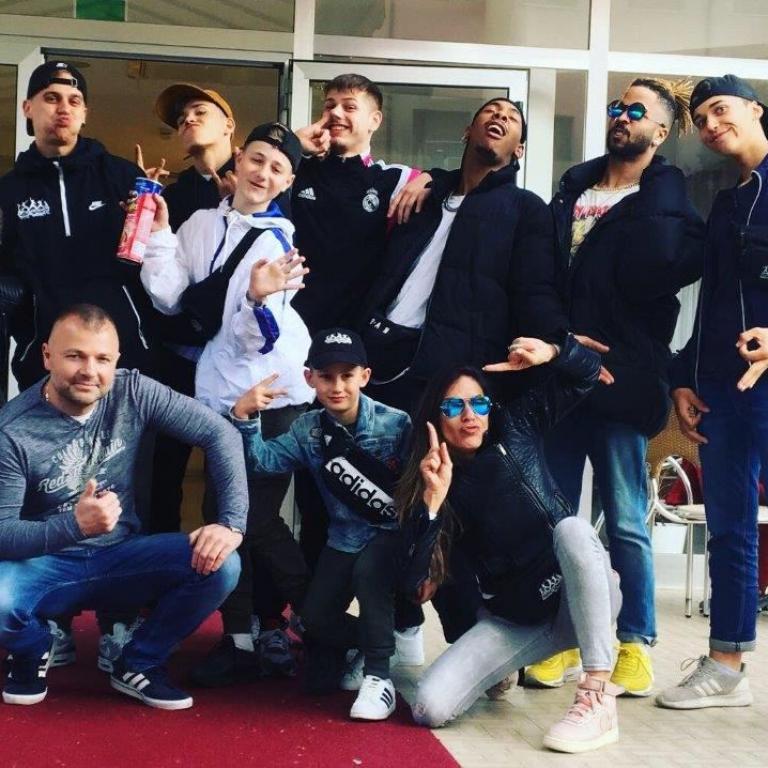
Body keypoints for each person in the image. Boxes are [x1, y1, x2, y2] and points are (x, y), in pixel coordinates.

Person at [540, 77, 705, 694]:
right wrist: (561, 342)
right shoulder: (571, 191)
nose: (621, 116)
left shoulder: (667, 204)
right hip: (562, 377)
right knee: (557, 517)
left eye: (637, 110)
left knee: (627, 521)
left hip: (625, 383)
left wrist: (662, 182)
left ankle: (635, 641)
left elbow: (666, 273)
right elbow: (545, 280)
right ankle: (563, 638)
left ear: (660, 132)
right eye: (617, 106)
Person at [0, 304, 247, 709]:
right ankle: (31, 649)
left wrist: (231, 523)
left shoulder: (132, 390)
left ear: (116, 361)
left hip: (120, 556)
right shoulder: (11, 429)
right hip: (45, 564)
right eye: (75, 355)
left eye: (102, 359)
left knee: (222, 563)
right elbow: (3, 532)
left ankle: (139, 662)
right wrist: (75, 526)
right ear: (47, 356)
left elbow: (221, 434)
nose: (89, 371)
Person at [141, 122, 313, 686]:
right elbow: (170, 298)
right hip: (218, 396)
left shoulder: (278, 245)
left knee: (251, 518)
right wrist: (160, 233)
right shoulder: (199, 223)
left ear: (287, 182)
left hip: (270, 396)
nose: (263, 173)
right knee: (224, 515)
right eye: (257, 160)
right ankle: (240, 638)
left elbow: (255, 341)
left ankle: (317, 617)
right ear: (237, 160)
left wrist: (259, 298)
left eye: (277, 168)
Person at [400, 334, 622, 754]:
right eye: (454, 407)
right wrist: (432, 503)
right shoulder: (431, 483)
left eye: (479, 404)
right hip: (518, 619)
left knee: (573, 530)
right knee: (429, 707)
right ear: (435, 417)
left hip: (580, 596)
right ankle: (503, 671)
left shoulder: (516, 427)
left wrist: (554, 352)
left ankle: (596, 695)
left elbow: (588, 373)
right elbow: (414, 585)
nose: (470, 416)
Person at [231, 329, 411, 721]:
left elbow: (417, 492)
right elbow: (262, 461)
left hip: (389, 536)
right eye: (327, 376)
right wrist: (244, 416)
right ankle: (378, 642)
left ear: (365, 376)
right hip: (342, 539)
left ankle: (379, 676)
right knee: (311, 620)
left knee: (370, 573)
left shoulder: (398, 424)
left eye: (347, 375)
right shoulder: (306, 428)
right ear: (309, 378)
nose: (337, 386)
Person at [659, 74, 768, 709]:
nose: (709, 125)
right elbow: (712, 305)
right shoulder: (727, 203)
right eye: (700, 119)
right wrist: (684, 378)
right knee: (729, 528)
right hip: (723, 393)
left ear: (755, 108)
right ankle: (726, 666)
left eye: (719, 110)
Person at [360, 96, 567, 415]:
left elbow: (535, 289)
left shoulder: (526, 209)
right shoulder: (425, 197)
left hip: (448, 374)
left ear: (519, 150)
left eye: (512, 117)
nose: (500, 116)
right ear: (467, 131)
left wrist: (558, 343)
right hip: (379, 357)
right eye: (491, 111)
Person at [0, 61, 154, 391]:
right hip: (43, 364)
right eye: (51, 98)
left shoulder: (123, 178)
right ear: (27, 108)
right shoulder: (8, 191)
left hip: (124, 359)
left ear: (85, 113)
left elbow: (156, 265)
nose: (63, 109)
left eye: (74, 101)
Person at [291, 73, 424, 335]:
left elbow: (459, 187)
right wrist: (293, 145)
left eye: (349, 107)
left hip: (354, 337)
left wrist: (431, 178)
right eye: (329, 106)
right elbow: (251, 165)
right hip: (289, 327)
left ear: (375, 120)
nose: (335, 113)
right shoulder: (293, 170)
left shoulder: (394, 179)